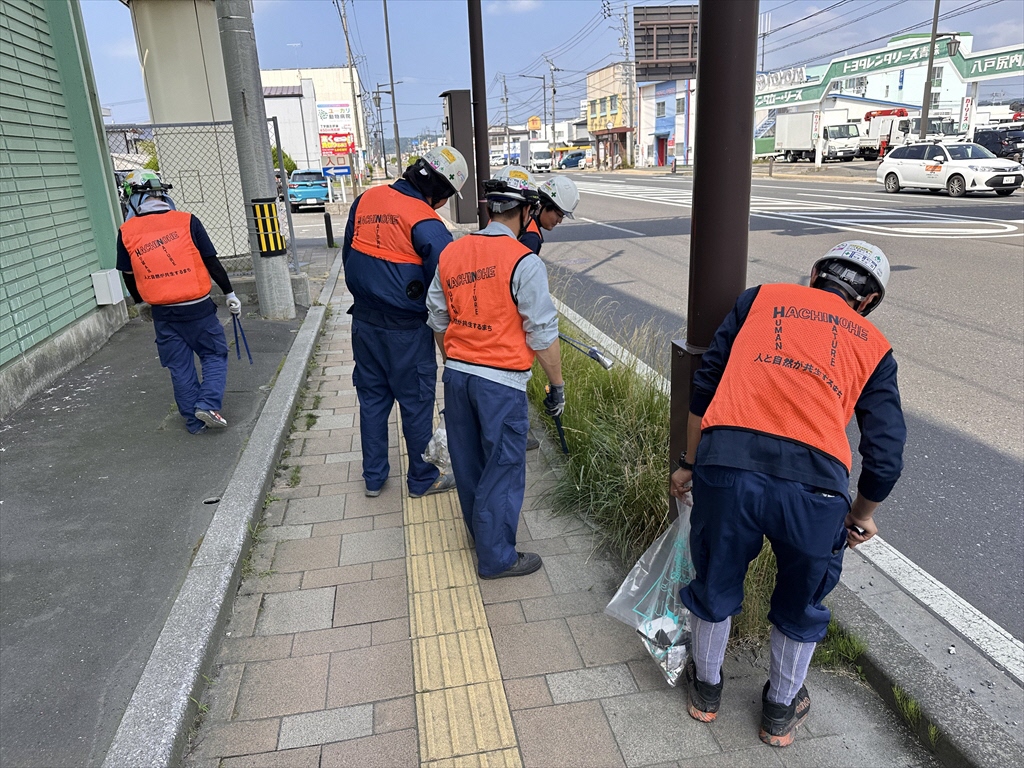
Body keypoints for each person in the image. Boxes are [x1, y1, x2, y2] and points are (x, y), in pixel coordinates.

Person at [669, 241, 906, 747]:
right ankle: (779, 711)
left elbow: (705, 384)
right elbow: (885, 453)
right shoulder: (873, 344)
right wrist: (861, 515)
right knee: (803, 599)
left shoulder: (760, 299)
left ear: (816, 274)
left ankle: (706, 692)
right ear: (867, 302)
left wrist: (689, 464)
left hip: (727, 465)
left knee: (715, 577)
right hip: (817, 489)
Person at [426, 167, 563, 579]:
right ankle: (497, 557)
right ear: (525, 212)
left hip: (457, 377)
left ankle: (479, 535)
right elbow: (542, 335)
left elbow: (436, 315)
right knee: (502, 467)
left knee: (468, 464)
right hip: (499, 382)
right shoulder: (523, 261)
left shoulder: (452, 252)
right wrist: (557, 385)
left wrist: (454, 358)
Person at [343, 145, 469, 498]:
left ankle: (373, 478)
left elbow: (349, 254)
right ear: (442, 195)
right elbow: (450, 284)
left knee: (372, 400)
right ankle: (422, 479)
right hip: (406, 331)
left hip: (364, 324)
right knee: (415, 404)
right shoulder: (427, 222)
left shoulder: (366, 199)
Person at [116, 169, 242, 435]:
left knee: (179, 365)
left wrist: (140, 303)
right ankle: (207, 404)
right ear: (162, 194)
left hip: (163, 313)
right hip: (198, 308)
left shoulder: (126, 231)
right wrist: (229, 293)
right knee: (214, 354)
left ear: (133, 199)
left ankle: (194, 422)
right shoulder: (187, 221)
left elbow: (128, 275)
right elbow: (211, 261)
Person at [518, 174, 579, 256]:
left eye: (562, 216)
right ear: (543, 205)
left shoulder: (521, 218)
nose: (560, 221)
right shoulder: (531, 238)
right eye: (559, 215)